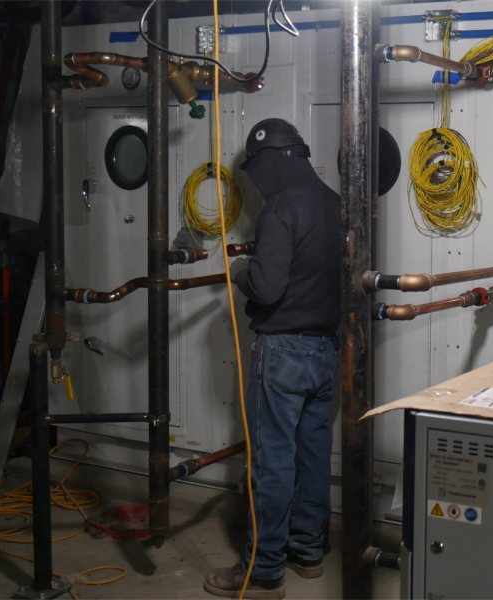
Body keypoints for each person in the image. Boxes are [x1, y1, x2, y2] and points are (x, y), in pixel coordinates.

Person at [204, 119, 341, 600]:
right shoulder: (334, 202)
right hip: (328, 351)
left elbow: (267, 286)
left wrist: (242, 269)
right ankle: (307, 552)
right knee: (313, 455)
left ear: (270, 161)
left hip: (284, 352)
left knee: (274, 462)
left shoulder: (281, 208)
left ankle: (262, 572)